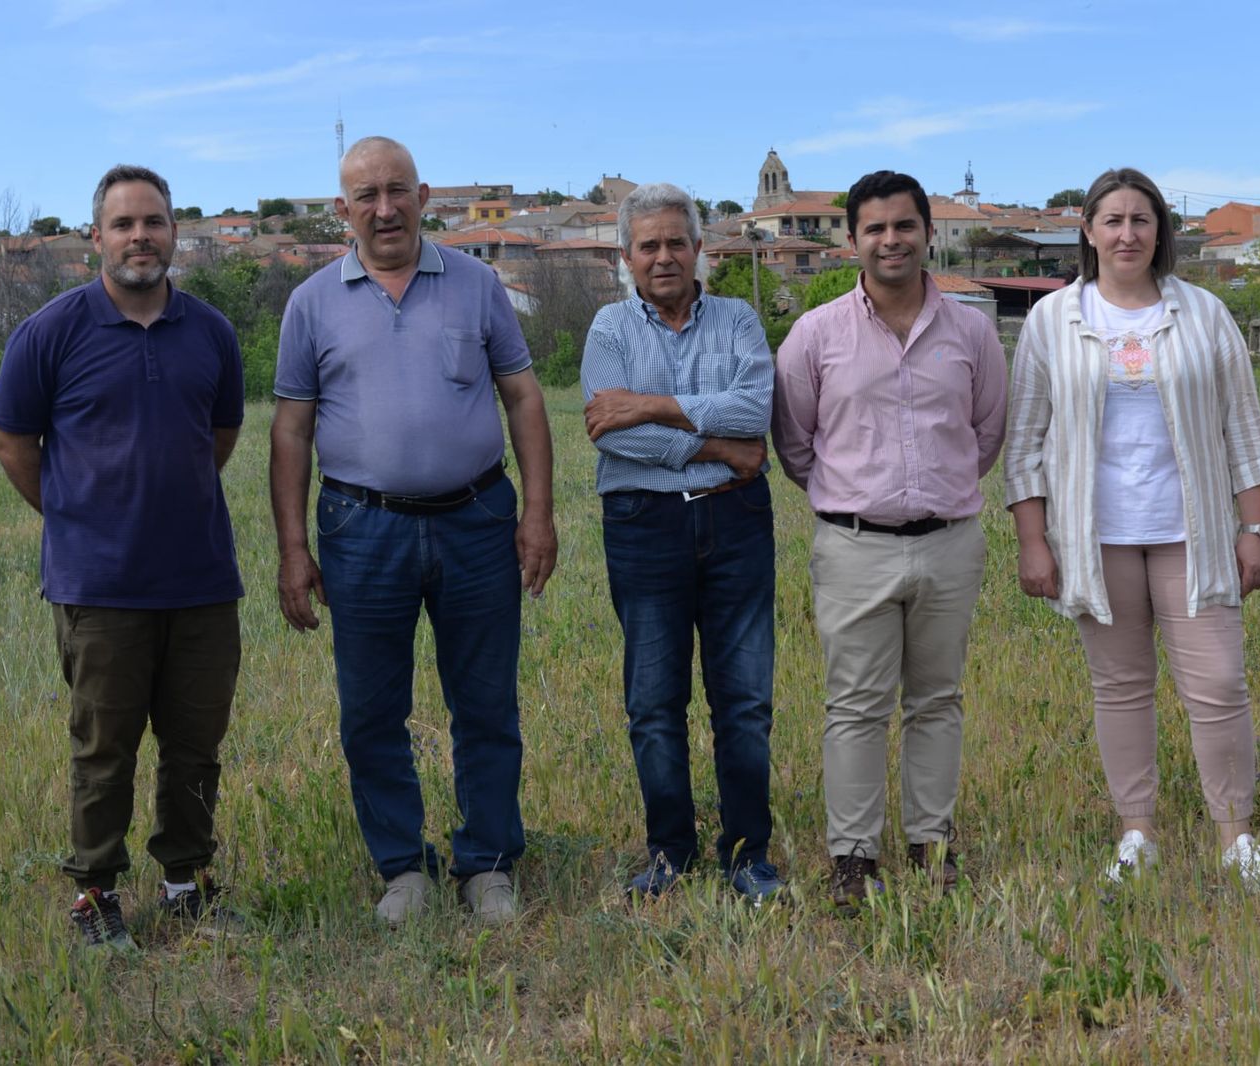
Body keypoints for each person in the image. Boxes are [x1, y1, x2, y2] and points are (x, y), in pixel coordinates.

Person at [269, 136, 557, 925]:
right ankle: (404, 868)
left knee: (487, 704)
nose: (385, 208)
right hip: (363, 530)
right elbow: (290, 432)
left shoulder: (476, 284)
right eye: (367, 196)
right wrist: (294, 547)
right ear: (342, 210)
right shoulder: (312, 303)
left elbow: (525, 400)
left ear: (425, 196)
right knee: (370, 710)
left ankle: (488, 864)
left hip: (478, 521)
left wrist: (538, 513)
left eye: (398, 190)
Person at [1004, 167, 1260, 890]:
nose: (1127, 233)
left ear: (1161, 232)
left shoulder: (1204, 314)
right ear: (1088, 232)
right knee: (1121, 687)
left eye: (1141, 220)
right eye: (1113, 220)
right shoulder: (1052, 321)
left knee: (1219, 684)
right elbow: (1026, 441)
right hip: (1096, 539)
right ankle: (1138, 833)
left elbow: (1244, 430)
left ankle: (1236, 837)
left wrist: (1255, 527)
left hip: (1192, 532)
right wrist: (1034, 540)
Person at [0, 164, 245, 949]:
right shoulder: (50, 332)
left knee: (196, 746)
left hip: (200, 581)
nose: (142, 236)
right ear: (96, 236)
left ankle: (184, 885)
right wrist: (78, 517)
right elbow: (12, 442)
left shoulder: (212, 333)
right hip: (98, 586)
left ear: (176, 234)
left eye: (156, 222)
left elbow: (221, 437)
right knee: (103, 752)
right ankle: (94, 896)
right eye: (125, 224)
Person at [772, 170, 1006, 909]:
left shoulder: (972, 331)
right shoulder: (816, 335)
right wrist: (853, 500)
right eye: (874, 228)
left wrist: (935, 492)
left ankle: (931, 844)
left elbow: (987, 432)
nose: (891, 240)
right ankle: (853, 859)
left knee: (937, 699)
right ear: (851, 242)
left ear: (928, 232)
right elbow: (794, 440)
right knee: (855, 706)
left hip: (949, 543)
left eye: (904, 225)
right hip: (853, 546)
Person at [581, 183, 782, 903]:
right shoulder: (608, 329)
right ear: (627, 258)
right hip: (645, 525)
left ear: (701, 250)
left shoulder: (739, 319)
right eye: (648, 246)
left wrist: (654, 405)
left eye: (676, 242)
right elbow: (613, 431)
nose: (663, 256)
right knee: (654, 700)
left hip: (736, 523)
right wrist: (721, 449)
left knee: (745, 699)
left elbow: (756, 408)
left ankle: (747, 853)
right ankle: (669, 849)